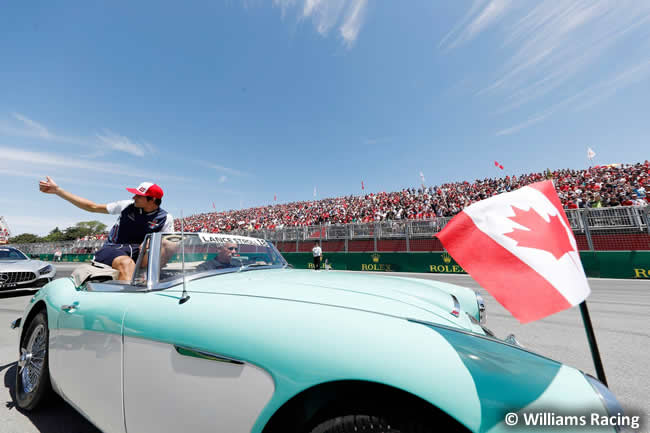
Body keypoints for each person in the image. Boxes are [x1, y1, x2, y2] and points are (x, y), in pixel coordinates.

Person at [39, 176, 174, 281]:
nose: (134, 197)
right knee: (126, 264)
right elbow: (92, 207)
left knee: (168, 243)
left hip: (140, 252)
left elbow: (170, 245)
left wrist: (155, 241)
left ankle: (151, 277)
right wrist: (58, 191)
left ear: (152, 200)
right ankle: (125, 309)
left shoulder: (166, 218)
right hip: (114, 248)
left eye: (139, 195)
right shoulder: (127, 205)